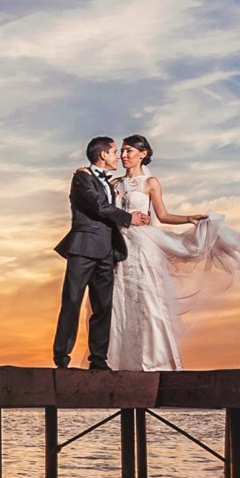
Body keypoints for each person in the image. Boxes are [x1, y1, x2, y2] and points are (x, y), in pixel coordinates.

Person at [108, 134, 240, 371]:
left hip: (142, 244)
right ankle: (121, 362)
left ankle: (155, 360)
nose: (123, 156)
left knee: (148, 297)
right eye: (121, 151)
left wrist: (188, 218)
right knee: (119, 300)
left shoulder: (150, 182)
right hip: (117, 244)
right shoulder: (114, 183)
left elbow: (162, 215)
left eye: (129, 151)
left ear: (143, 154)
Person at [52, 136, 148, 370]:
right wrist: (129, 218)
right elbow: (99, 206)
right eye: (115, 152)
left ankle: (98, 359)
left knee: (103, 306)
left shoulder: (111, 182)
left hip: (107, 251)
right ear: (103, 155)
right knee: (72, 301)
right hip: (83, 247)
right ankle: (62, 357)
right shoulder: (82, 178)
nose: (118, 156)